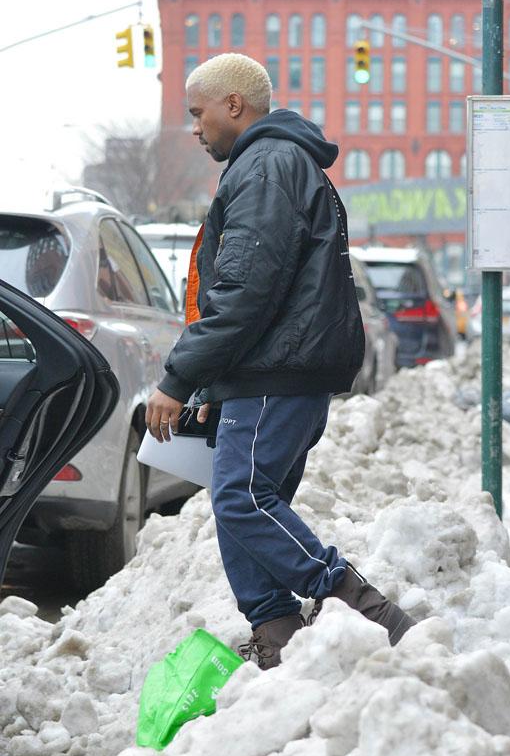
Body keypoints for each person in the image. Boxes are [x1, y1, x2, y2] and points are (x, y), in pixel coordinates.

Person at [146, 53, 415, 669]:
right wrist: (216, 381)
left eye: (198, 113)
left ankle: (362, 603)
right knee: (241, 501)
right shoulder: (268, 162)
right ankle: (277, 632)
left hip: (277, 371)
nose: (194, 127)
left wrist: (180, 378)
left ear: (233, 105)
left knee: (242, 497)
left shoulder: (266, 167)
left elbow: (244, 291)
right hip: (267, 371)